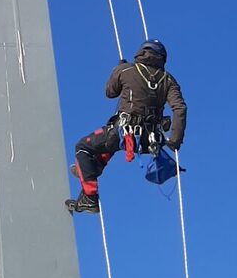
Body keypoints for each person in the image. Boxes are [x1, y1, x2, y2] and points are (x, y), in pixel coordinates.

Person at [65, 39, 187, 215]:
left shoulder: (127, 70)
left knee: (83, 147)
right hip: (150, 141)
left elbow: (110, 92)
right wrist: (175, 140)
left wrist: (118, 70)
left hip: (125, 132)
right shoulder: (168, 80)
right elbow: (180, 108)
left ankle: (90, 197)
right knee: (106, 148)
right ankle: (90, 172)